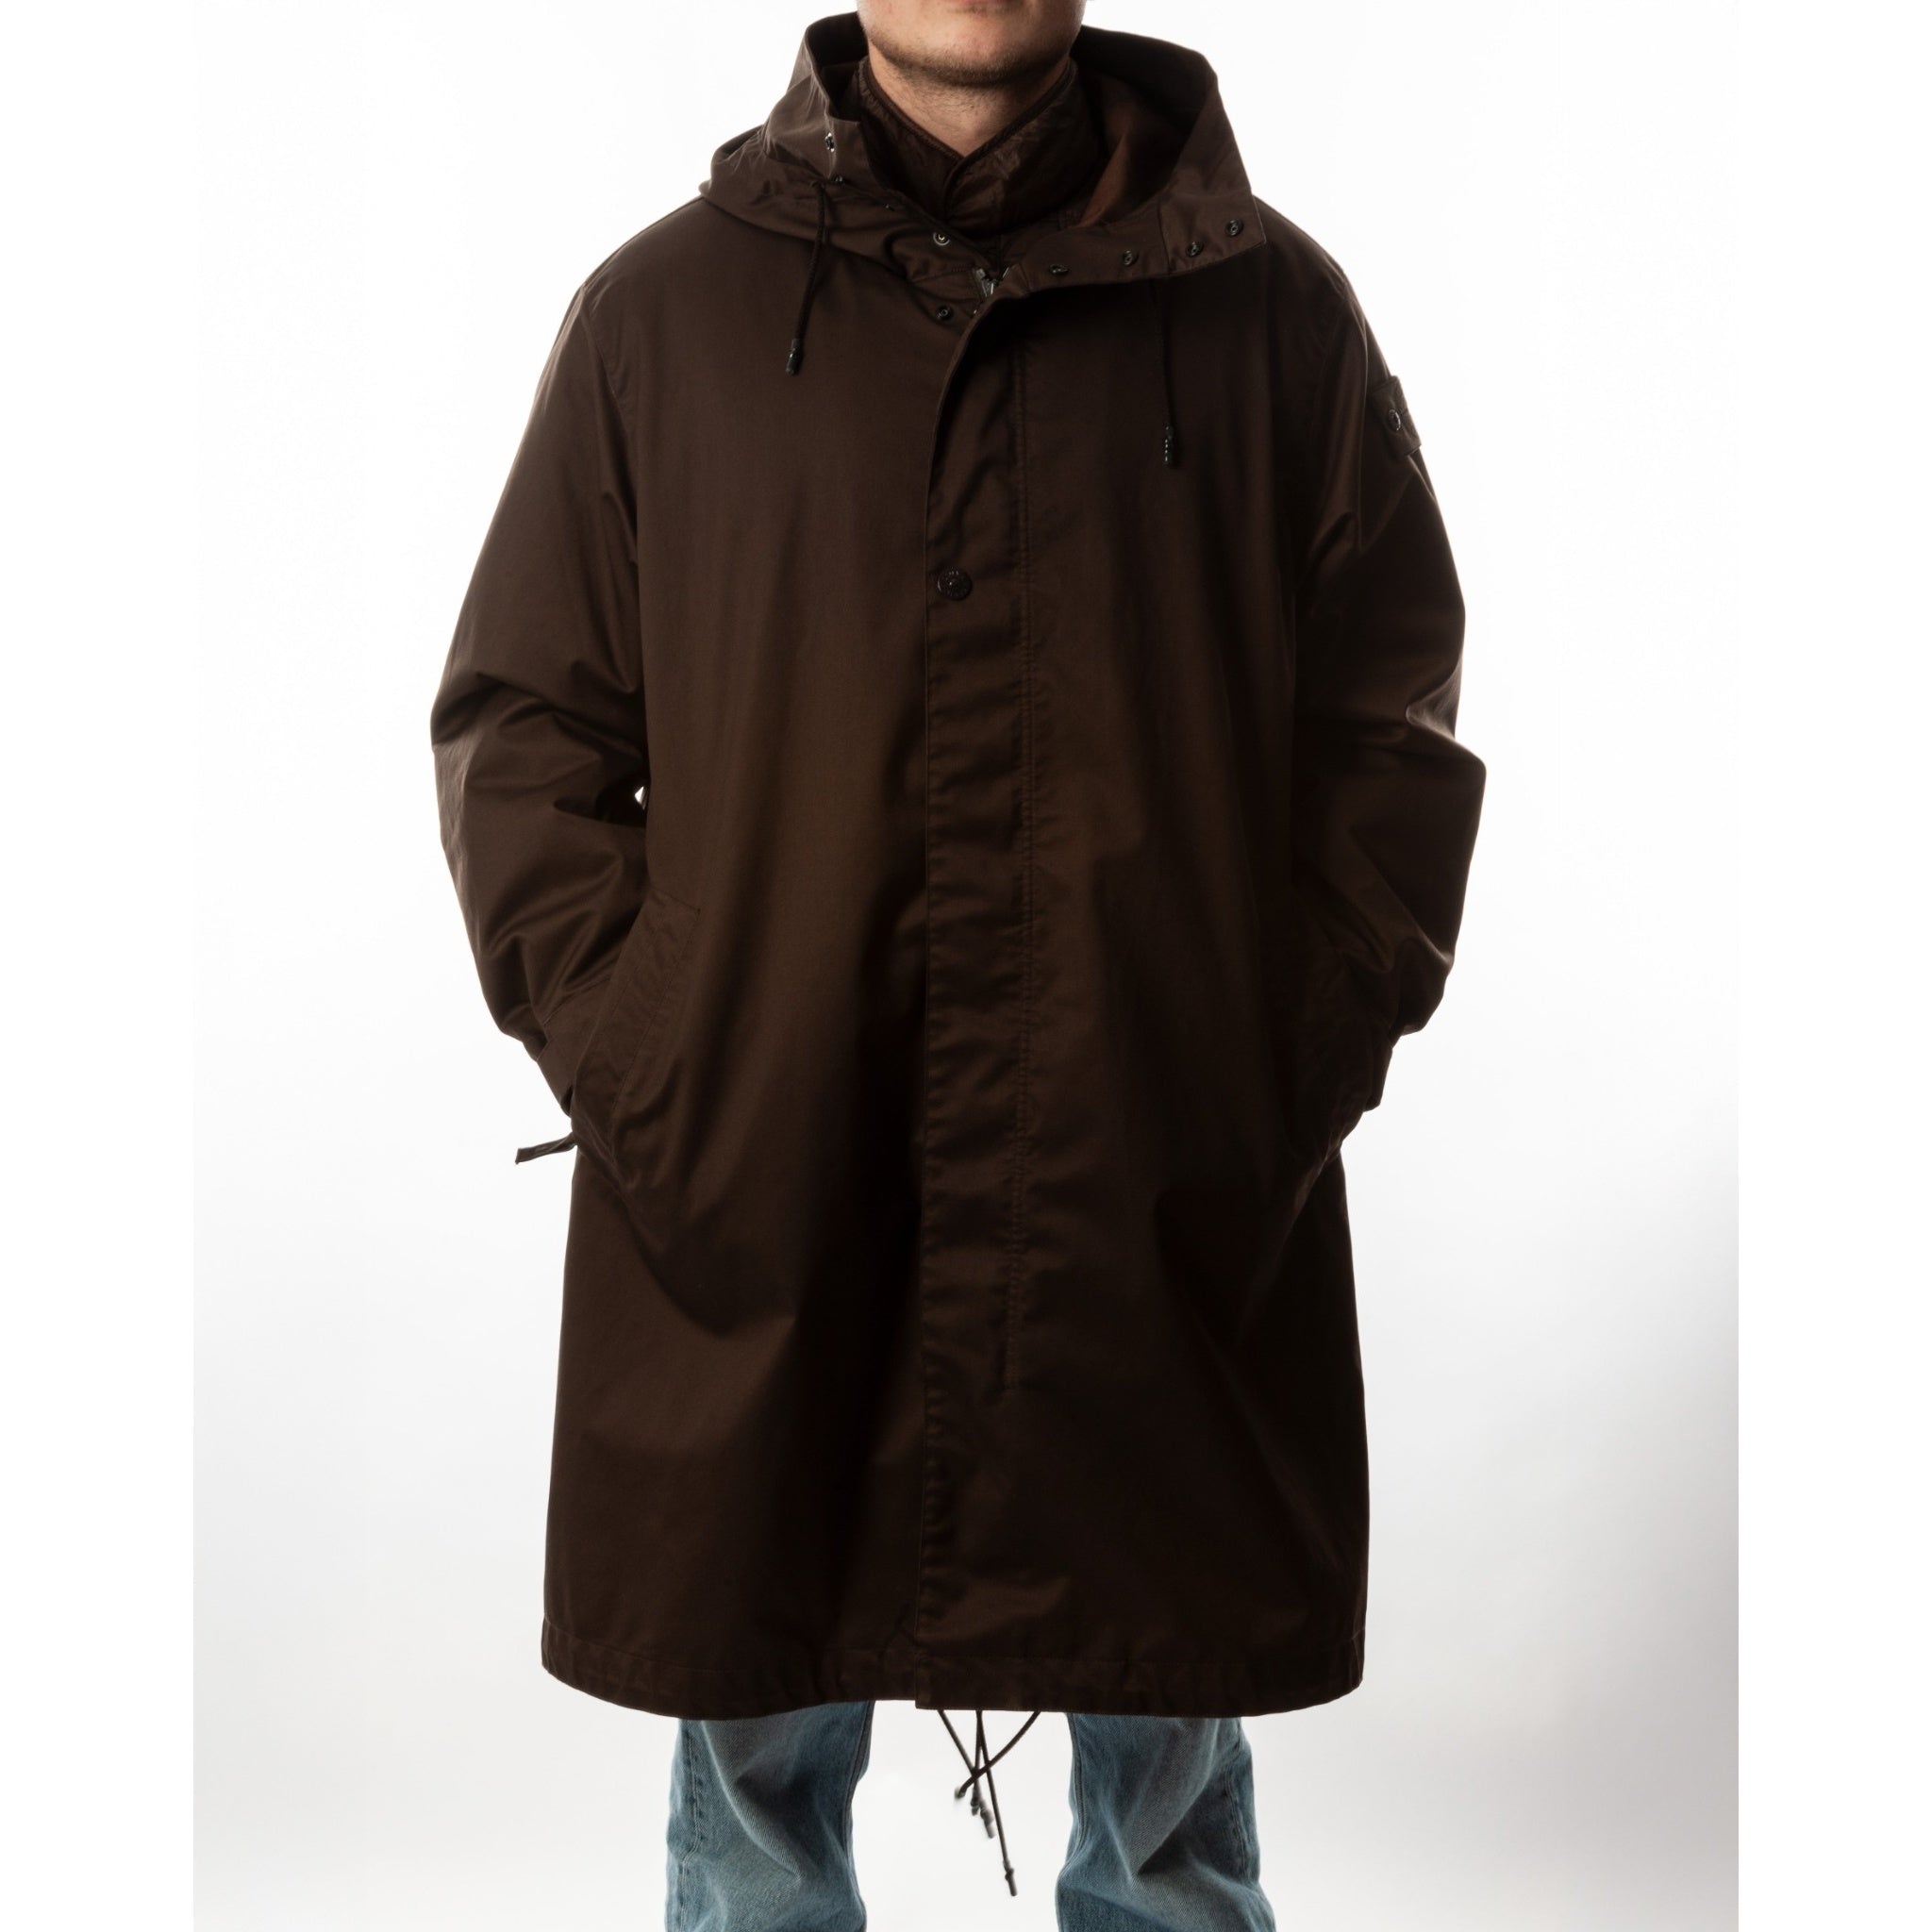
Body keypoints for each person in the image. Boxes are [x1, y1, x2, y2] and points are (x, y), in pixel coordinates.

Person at [428, 3, 1485, 1926]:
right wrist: (652, 1053)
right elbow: (528, 727)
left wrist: (1281, 1052)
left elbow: (1386, 723)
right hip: (764, 1173)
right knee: (754, 1780)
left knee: (1165, 1788)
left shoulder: (1271, 317)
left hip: (1148, 1188)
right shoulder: (663, 316)